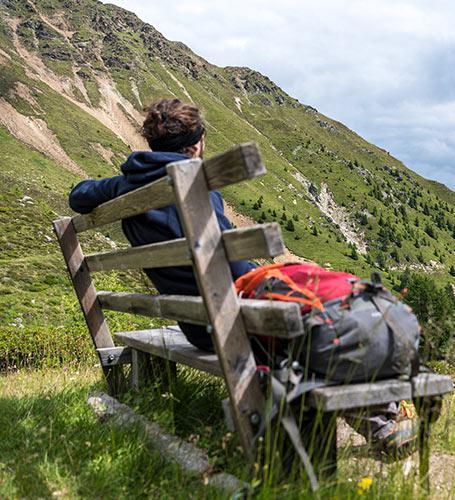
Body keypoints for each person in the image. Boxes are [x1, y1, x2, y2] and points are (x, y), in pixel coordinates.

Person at [69, 97, 416, 455]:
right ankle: (382, 422)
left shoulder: (128, 185)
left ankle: (381, 421)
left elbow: (78, 195)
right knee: (307, 326)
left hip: (195, 322)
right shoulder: (197, 187)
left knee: (299, 330)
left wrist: (118, 182)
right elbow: (233, 271)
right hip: (227, 322)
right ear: (195, 145)